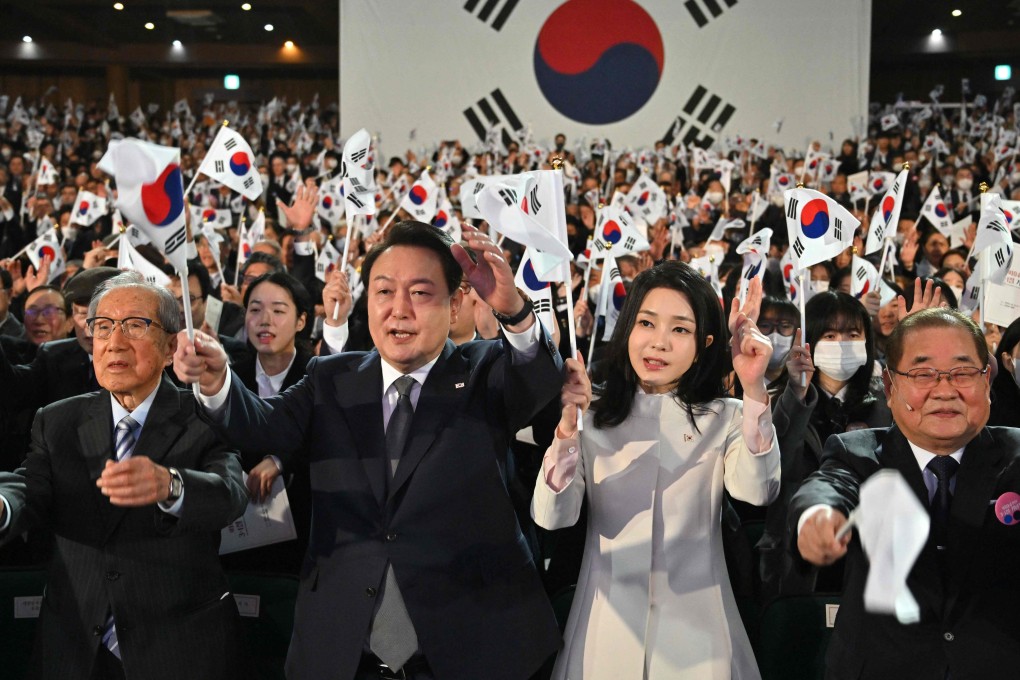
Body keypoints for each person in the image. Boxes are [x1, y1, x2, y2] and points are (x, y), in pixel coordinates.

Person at [174, 221, 563, 680]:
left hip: (471, 642)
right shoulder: (330, 378)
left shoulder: (484, 370)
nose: (399, 310)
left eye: (420, 293)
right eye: (384, 291)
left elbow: (536, 379)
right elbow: (262, 428)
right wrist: (218, 383)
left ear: (456, 301)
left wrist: (514, 312)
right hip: (344, 648)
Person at [532, 263, 780, 679]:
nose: (659, 343)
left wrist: (754, 389)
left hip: (701, 631)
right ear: (628, 329)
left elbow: (757, 491)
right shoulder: (590, 418)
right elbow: (552, 515)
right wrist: (566, 433)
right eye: (647, 323)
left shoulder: (728, 417)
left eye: (680, 330)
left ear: (704, 344)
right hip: (603, 630)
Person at [0, 271, 249, 680]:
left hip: (180, 649)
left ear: (171, 347)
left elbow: (230, 493)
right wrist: (4, 505)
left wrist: (172, 486)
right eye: (102, 327)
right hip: (75, 648)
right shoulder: (58, 420)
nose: (115, 342)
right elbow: (31, 486)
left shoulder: (204, 415)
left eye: (135, 325)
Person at [790, 307, 1020, 678]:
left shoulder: (1016, 457)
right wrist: (817, 517)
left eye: (962, 372)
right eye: (923, 373)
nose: (944, 390)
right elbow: (827, 488)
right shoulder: (857, 453)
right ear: (891, 385)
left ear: (987, 381)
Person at [223, 270, 315, 573]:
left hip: (305, 531)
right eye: (255, 309)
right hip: (240, 530)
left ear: (301, 321)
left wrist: (279, 460)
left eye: (278, 310)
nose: (265, 320)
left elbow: (324, 435)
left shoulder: (317, 376)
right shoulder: (229, 377)